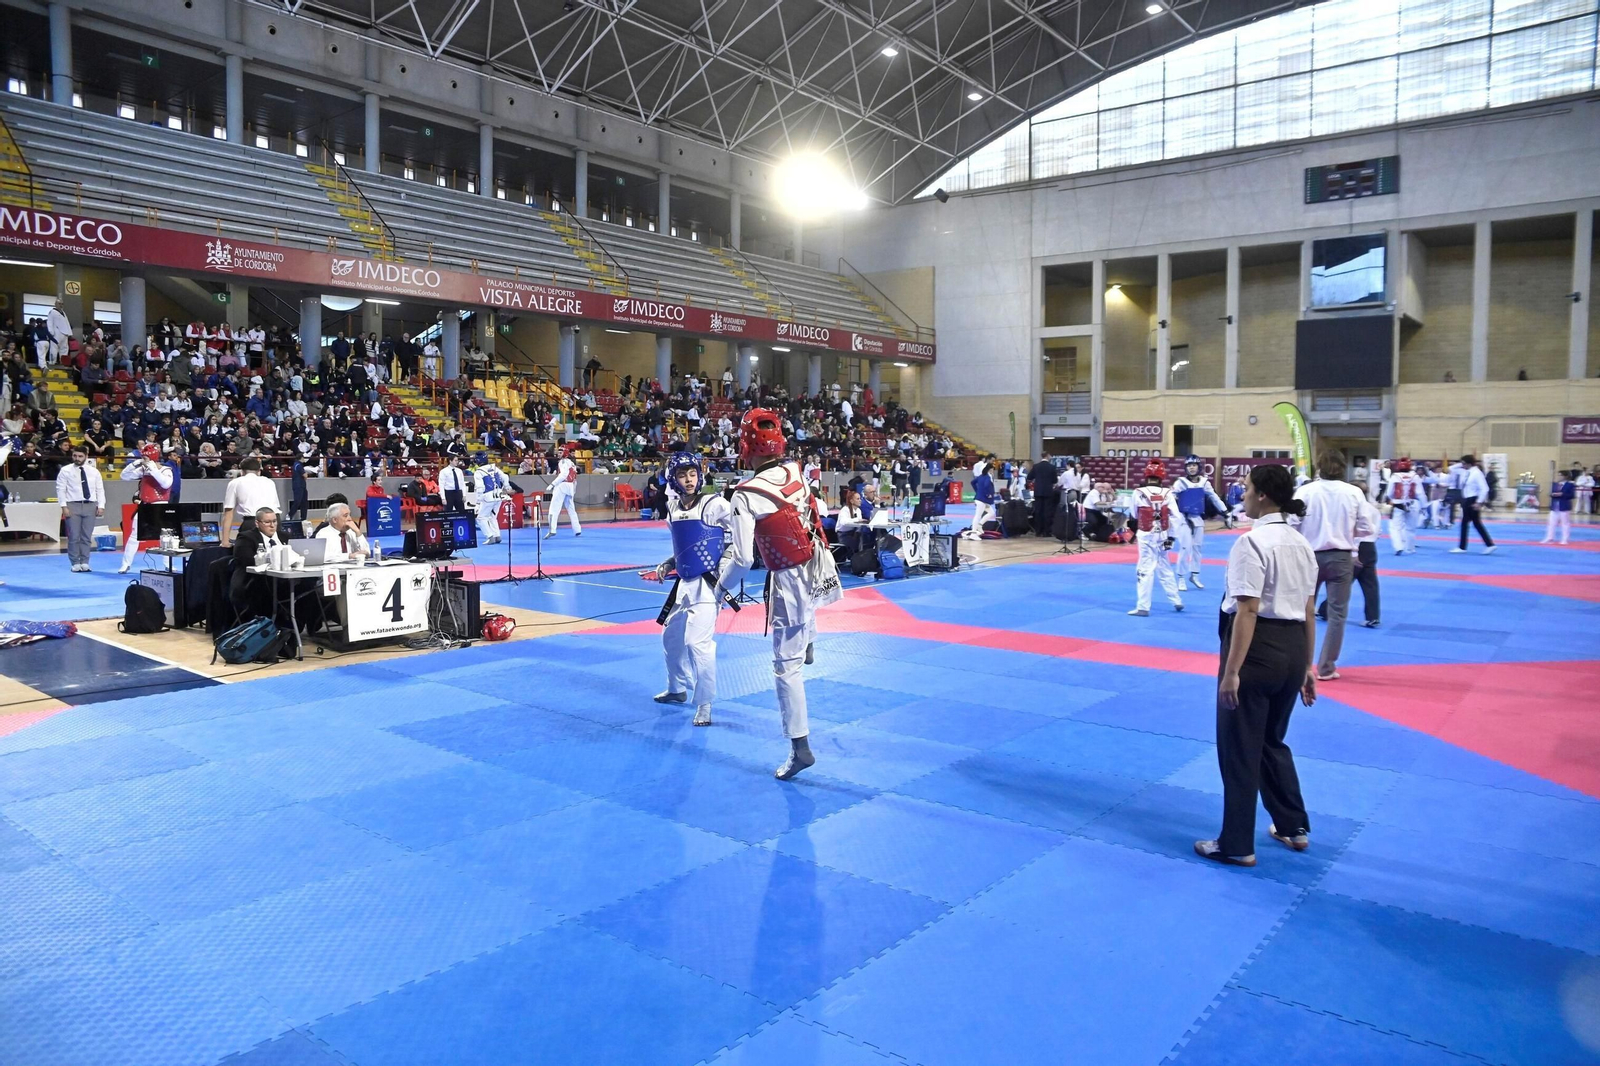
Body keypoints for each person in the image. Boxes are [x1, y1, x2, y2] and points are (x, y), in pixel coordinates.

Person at [1195, 462, 1318, 868]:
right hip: (1293, 647)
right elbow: (1308, 609)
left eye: (1246, 489)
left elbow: (1247, 609)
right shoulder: (1302, 543)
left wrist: (1232, 672)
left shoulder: (1252, 542)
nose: (1242, 496)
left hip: (1257, 648)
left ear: (1262, 495)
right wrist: (1308, 667)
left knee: (1239, 748)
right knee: (1271, 741)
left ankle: (1236, 844)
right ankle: (1292, 826)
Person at [714, 408, 825, 780]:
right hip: (818, 566)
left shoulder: (746, 494)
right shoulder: (798, 472)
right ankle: (808, 637)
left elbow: (744, 558)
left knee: (785, 667)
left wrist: (719, 588)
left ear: (746, 445)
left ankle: (800, 748)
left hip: (789, 579)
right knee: (800, 626)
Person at [642, 453, 733, 727]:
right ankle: (677, 688)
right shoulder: (672, 508)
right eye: (683, 475)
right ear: (674, 479)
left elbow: (736, 540)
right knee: (670, 638)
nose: (689, 480)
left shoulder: (715, 504)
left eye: (692, 474)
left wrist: (725, 573)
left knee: (697, 644)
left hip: (707, 586)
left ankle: (704, 704)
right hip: (683, 583)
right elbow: (684, 545)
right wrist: (669, 563)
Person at [1294, 448, 1374, 681]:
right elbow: (1367, 527)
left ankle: (1300, 664)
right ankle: (1327, 667)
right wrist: (1348, 533)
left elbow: (1292, 521)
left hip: (1309, 555)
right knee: (1337, 614)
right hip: (1341, 556)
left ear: (1319, 467)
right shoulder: (1353, 492)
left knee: (1302, 611)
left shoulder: (1305, 491)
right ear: (1343, 467)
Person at [1128, 459, 1183, 616]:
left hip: (1146, 535)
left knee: (1145, 569)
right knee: (1164, 567)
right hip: (1163, 535)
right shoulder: (1168, 493)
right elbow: (1177, 517)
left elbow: (1133, 513)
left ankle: (1143, 607)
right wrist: (1172, 537)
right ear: (1162, 477)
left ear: (1146, 475)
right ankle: (1176, 600)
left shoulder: (1138, 493)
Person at [1171, 454, 1227, 590]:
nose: (1191, 468)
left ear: (1199, 467)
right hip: (1184, 518)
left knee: (1197, 548)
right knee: (1185, 548)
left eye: (1194, 465)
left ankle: (1194, 575)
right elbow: (1170, 498)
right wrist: (1173, 515)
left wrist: (1224, 511)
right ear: (1186, 468)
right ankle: (1181, 577)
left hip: (1198, 518)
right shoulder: (1180, 483)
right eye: (1189, 465)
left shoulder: (1204, 482)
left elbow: (1214, 497)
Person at [118, 444, 174, 574]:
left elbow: (165, 484)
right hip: (145, 505)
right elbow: (124, 476)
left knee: (165, 536)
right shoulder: (143, 469)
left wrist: (152, 468)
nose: (144, 459)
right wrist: (136, 463)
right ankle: (125, 564)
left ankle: (168, 564)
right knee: (134, 535)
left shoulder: (166, 470)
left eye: (145, 457)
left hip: (160, 505)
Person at [55, 446, 105, 572]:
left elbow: (100, 489)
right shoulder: (65, 470)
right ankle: (75, 562)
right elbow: (60, 489)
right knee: (73, 536)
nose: (77, 458)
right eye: (75, 456)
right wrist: (63, 506)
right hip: (72, 505)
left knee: (86, 537)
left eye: (80, 456)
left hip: (90, 505)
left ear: (86, 456)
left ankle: (85, 561)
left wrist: (101, 505)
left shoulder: (94, 471)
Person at [219, 457, 282, 547]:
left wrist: (225, 542)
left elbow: (228, 514)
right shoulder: (269, 482)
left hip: (253, 522)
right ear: (259, 471)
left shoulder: (235, 483)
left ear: (242, 472)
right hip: (275, 521)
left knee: (247, 557)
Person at [1450, 454, 1496, 554]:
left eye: (1464, 464)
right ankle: (1489, 544)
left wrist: (1479, 502)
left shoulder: (1477, 473)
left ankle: (1463, 547)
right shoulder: (1466, 472)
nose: (1462, 465)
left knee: (1468, 523)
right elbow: (1451, 468)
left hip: (1473, 500)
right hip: (1466, 499)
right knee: (1475, 523)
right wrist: (1461, 463)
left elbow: (1484, 488)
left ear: (1469, 463)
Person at [1385, 457, 1423, 555]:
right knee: (1410, 528)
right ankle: (1410, 548)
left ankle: (1398, 547)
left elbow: (1389, 493)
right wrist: (1424, 505)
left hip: (1398, 504)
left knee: (1395, 527)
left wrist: (1393, 499)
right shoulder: (1415, 476)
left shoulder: (1394, 476)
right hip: (1412, 503)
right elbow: (1420, 493)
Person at [547, 443, 582, 537]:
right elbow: (574, 478)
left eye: (560, 452)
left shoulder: (562, 462)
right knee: (571, 509)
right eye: (558, 452)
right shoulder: (571, 463)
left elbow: (563, 475)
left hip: (562, 486)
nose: (558, 453)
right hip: (570, 486)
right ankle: (577, 529)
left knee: (554, 508)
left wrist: (552, 484)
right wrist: (573, 490)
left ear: (565, 452)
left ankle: (552, 529)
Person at [473, 452, 507, 546]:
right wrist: (506, 487)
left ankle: (489, 536)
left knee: (481, 517)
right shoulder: (495, 468)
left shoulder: (479, 472)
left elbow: (480, 488)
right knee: (492, 516)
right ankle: (497, 536)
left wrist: (478, 502)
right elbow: (505, 477)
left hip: (487, 497)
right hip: (498, 495)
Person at [1542, 468, 1577, 545]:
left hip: (1564, 506)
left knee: (1565, 523)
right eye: (1558, 475)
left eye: (1560, 475)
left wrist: (1562, 494)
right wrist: (1553, 495)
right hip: (1554, 506)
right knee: (1551, 523)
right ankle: (1550, 538)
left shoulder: (1570, 485)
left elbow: (1572, 495)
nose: (1558, 477)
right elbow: (1551, 493)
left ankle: (1565, 539)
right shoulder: (1555, 484)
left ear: (1565, 476)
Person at [1028, 456, 1059, 535]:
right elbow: (1055, 480)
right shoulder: (1052, 467)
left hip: (1038, 491)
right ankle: (1046, 531)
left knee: (1038, 511)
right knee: (1047, 512)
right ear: (1047, 456)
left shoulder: (1036, 466)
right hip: (1048, 491)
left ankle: (1038, 531)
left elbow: (1029, 477)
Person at [966, 458, 996, 538]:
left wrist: (977, 491)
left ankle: (980, 525)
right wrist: (988, 494)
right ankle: (973, 533)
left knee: (991, 513)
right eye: (992, 469)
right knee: (978, 515)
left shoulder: (981, 476)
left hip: (980, 498)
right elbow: (986, 486)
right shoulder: (987, 477)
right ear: (990, 469)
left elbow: (972, 482)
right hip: (982, 499)